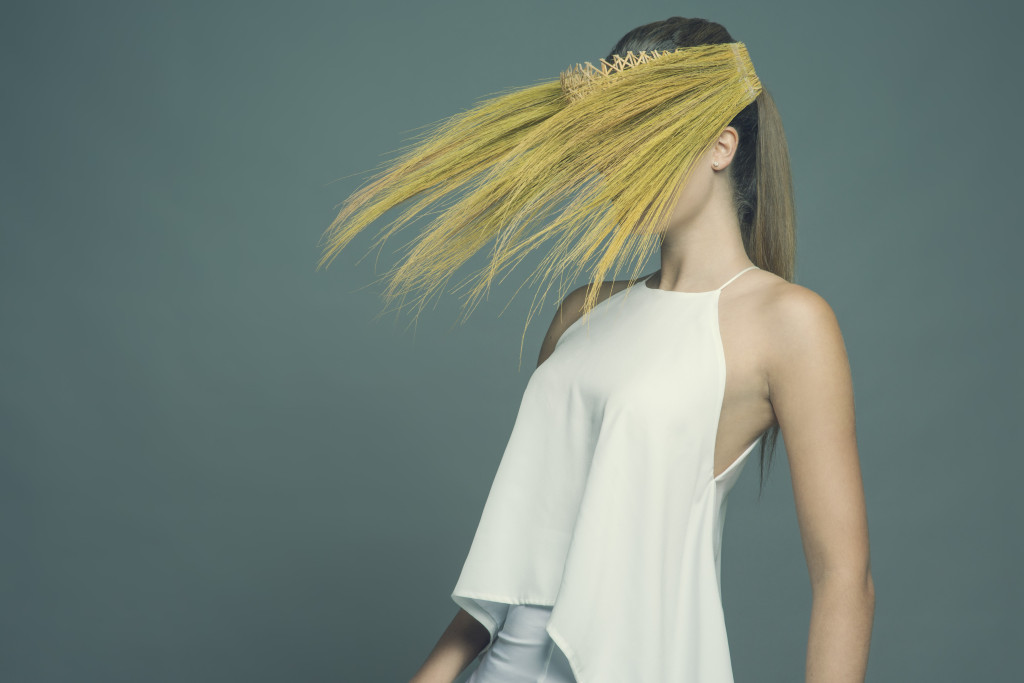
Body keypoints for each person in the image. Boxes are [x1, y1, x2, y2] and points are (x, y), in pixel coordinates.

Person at [323, 16, 874, 683]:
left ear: (720, 147)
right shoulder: (582, 310)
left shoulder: (788, 322)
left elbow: (845, 579)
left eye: (638, 135)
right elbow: (523, 552)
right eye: (607, 137)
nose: (614, 162)